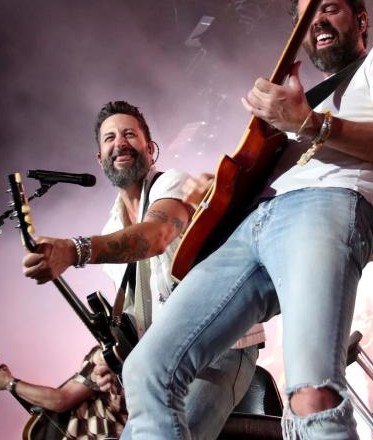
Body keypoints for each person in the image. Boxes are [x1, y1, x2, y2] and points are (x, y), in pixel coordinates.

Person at [118, 0, 373, 439]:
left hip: (329, 205)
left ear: (361, 19)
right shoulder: (309, 99)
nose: (316, 22)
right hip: (258, 222)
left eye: (329, 9)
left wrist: (309, 124)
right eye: (305, 18)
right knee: (146, 371)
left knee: (312, 395)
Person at [20, 100, 264, 439]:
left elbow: (155, 236)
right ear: (99, 159)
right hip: (167, 361)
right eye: (109, 138)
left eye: (129, 134)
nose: (119, 143)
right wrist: (114, 360)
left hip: (221, 349)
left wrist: (75, 250)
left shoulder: (171, 185)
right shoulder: (111, 226)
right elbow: (147, 318)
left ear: (150, 149)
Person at [0, 346, 127, 439]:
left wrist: (9, 383)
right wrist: (10, 383)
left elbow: (61, 400)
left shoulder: (102, 356)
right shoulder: (100, 357)